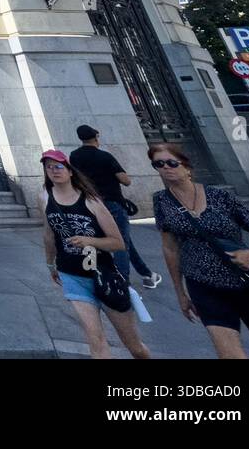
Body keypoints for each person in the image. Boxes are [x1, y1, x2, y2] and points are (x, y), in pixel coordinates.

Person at [150, 142, 249, 359]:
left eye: (171, 162)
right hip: (204, 285)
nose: (165, 168)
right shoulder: (162, 201)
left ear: (187, 167)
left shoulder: (220, 197)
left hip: (248, 284)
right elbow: (170, 248)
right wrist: (180, 293)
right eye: (158, 164)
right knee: (229, 355)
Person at [38, 149, 150, 359]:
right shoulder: (44, 197)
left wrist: (89, 241)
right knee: (94, 337)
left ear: (70, 171)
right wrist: (50, 264)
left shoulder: (92, 201)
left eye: (59, 166)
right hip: (71, 274)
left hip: (104, 274)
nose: (54, 170)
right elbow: (48, 234)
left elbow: (118, 243)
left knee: (134, 347)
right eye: (49, 167)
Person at [69, 124, 162, 289]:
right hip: (112, 203)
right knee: (120, 244)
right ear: (96, 137)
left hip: (90, 204)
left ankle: (147, 274)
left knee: (115, 241)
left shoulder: (74, 156)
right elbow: (126, 180)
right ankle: (121, 283)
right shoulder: (105, 156)